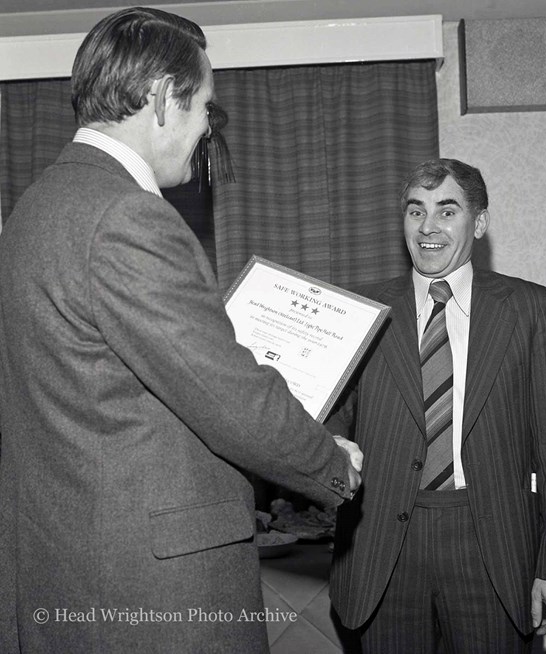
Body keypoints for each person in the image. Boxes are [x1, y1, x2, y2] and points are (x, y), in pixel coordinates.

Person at [0, 7, 362, 653]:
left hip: (73, 566)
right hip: (154, 592)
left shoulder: (36, 208)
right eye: (205, 109)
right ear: (163, 98)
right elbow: (228, 396)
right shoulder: (126, 217)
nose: (204, 132)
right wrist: (332, 462)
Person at [326, 158, 546, 653]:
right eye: (415, 211)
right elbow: (337, 417)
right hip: (383, 545)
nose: (428, 227)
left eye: (447, 211)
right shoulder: (362, 309)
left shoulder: (527, 308)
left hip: (492, 546)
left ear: (479, 223)